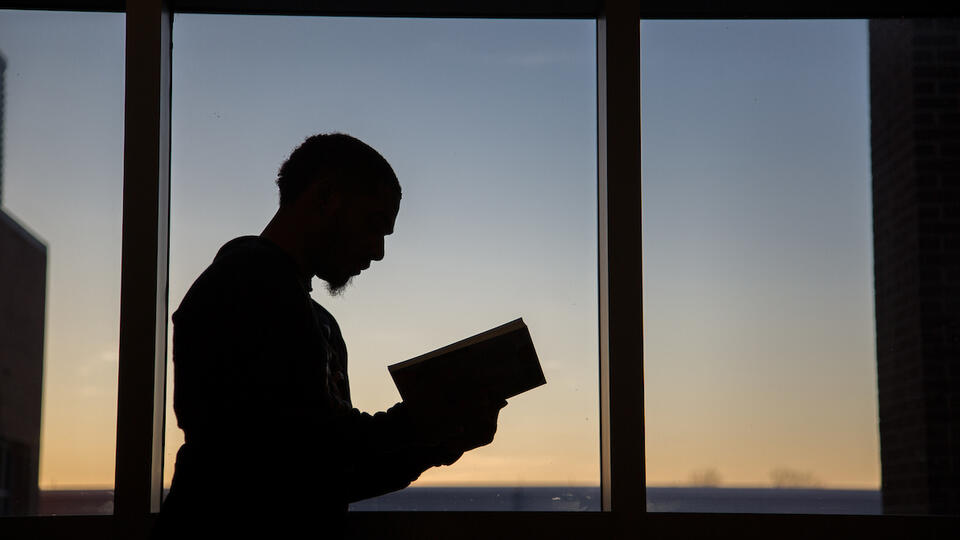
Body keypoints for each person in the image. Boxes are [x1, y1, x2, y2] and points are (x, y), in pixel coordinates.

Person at [154, 133, 505, 538]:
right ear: (325, 197)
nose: (378, 252)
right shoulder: (248, 289)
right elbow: (307, 456)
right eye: (373, 225)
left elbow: (327, 472)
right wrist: (436, 422)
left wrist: (441, 436)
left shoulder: (291, 308)